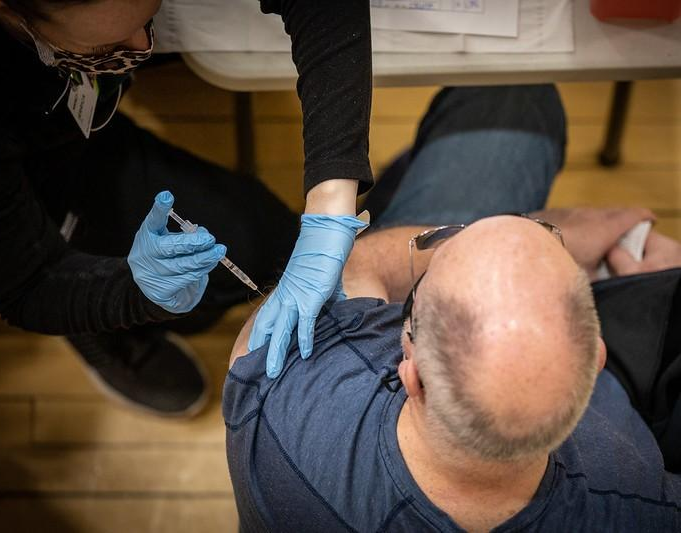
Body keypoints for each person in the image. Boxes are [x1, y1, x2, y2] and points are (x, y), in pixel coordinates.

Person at [223, 85, 681, 532]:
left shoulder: (294, 411)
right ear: (597, 359)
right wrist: (650, 285)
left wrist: (547, 230)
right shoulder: (641, 500)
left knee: (511, 99)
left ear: (413, 373)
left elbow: (353, 265)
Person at [0, 0, 373, 416]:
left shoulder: (109, 31)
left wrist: (331, 203)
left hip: (83, 121)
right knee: (243, 258)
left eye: (150, 16)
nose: (141, 45)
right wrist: (133, 294)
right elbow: (28, 287)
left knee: (273, 244)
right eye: (109, 48)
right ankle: (110, 336)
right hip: (39, 179)